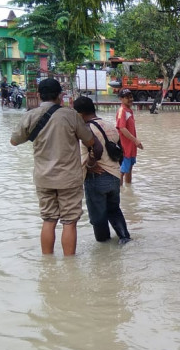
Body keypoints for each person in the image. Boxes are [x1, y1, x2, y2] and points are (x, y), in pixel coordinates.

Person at [10, 78, 103, 255]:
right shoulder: (71, 115)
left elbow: (14, 141)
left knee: (48, 219)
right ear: (60, 96)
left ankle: (48, 262)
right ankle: (69, 267)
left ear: (39, 95)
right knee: (69, 221)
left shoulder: (30, 116)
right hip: (68, 178)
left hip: (43, 177)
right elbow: (89, 140)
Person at [73, 96, 131, 245]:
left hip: (97, 178)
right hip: (114, 175)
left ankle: (104, 248)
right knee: (114, 210)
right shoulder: (109, 125)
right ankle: (125, 238)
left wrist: (91, 164)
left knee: (98, 218)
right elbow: (121, 151)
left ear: (79, 114)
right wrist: (116, 170)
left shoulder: (86, 128)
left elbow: (97, 149)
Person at [115, 88, 143, 185]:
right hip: (125, 146)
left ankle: (128, 190)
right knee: (122, 171)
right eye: (127, 97)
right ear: (121, 99)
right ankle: (119, 192)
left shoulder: (129, 111)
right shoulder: (122, 111)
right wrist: (135, 140)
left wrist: (134, 142)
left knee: (129, 167)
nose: (130, 99)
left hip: (131, 146)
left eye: (131, 97)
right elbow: (121, 128)